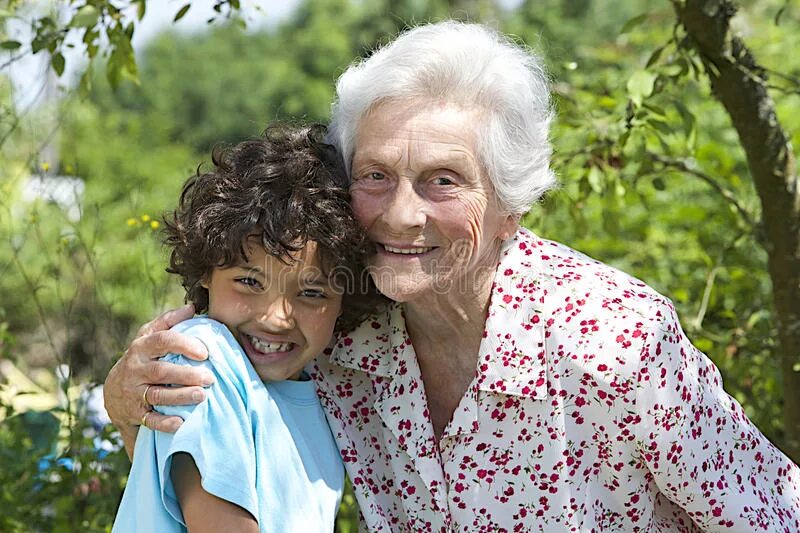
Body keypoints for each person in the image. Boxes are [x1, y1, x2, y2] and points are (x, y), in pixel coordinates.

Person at [105, 21, 800, 532]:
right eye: (375, 176)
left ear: (511, 204)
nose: (402, 215)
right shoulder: (337, 323)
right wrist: (125, 399)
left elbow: (774, 513)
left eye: (443, 180)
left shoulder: (617, 342)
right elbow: (202, 441)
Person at [111, 124, 379, 532]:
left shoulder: (316, 390)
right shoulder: (202, 359)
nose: (276, 317)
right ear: (207, 272)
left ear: (344, 302)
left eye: (311, 293)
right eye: (249, 282)